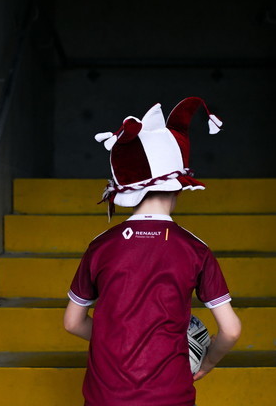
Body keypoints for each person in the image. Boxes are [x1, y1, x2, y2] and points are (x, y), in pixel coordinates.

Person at [63, 97, 242, 406]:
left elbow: (73, 322)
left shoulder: (101, 246)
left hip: (106, 396)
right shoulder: (195, 249)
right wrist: (207, 362)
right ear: (178, 186)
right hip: (170, 395)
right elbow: (231, 330)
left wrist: (119, 341)